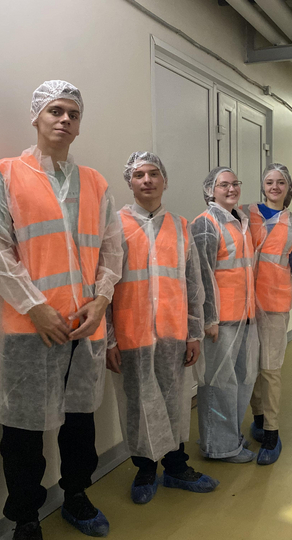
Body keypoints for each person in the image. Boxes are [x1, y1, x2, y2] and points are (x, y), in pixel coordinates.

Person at [0, 80, 122, 540]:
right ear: (36, 116)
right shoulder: (5, 174)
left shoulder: (95, 183)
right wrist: (34, 306)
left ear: (79, 126)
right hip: (28, 328)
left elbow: (112, 249)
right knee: (23, 432)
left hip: (83, 326)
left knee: (79, 424)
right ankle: (25, 518)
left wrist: (102, 300)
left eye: (73, 114)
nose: (64, 119)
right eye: (56, 111)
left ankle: (76, 496)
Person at [105, 152, 219, 505]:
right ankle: (144, 469)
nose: (147, 180)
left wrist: (194, 332)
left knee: (175, 400)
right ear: (130, 182)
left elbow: (193, 284)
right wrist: (108, 339)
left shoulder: (181, 227)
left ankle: (175, 467)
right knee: (137, 404)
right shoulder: (115, 226)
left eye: (153, 173)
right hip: (131, 333)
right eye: (139, 174)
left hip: (173, 333)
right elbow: (103, 286)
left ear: (164, 181)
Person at [191, 167, 259, 463]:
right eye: (224, 185)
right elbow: (201, 277)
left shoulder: (239, 221)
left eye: (235, 183)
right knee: (219, 385)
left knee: (242, 379)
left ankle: (228, 437)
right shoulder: (206, 224)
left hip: (245, 316)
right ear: (211, 190)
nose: (231, 189)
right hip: (220, 321)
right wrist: (209, 319)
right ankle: (218, 447)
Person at [240, 164, 292, 465]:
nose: (274, 187)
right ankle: (258, 418)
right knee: (250, 367)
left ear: (288, 188)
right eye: (269, 182)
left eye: (280, 182)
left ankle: (272, 433)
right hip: (243, 302)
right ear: (262, 186)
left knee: (271, 368)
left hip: (275, 302)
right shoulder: (243, 213)